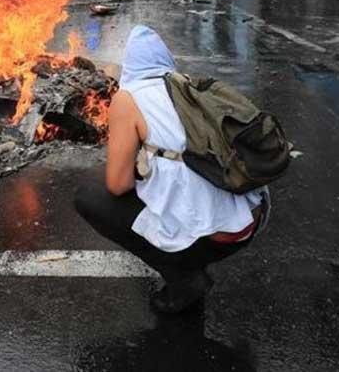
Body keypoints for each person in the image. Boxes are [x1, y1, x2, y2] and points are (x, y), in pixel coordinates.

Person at [75, 25, 269, 315]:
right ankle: (190, 254)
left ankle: (185, 277)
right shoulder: (187, 86)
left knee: (91, 197)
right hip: (251, 219)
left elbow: (118, 185)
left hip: (215, 236)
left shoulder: (128, 98)